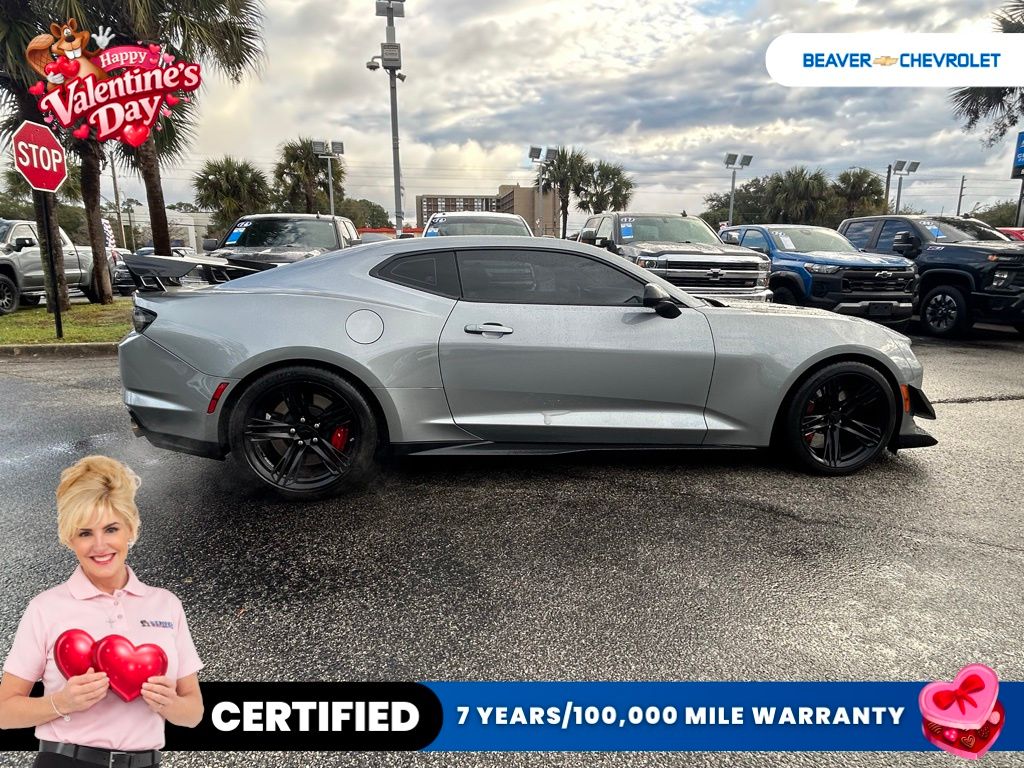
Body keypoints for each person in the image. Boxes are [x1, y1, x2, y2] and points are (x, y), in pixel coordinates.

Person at [0, 456, 203, 767]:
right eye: (85, 533)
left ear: (130, 529)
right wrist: (61, 702)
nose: (100, 545)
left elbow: (194, 713)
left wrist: (170, 703)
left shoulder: (166, 604)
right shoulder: (46, 608)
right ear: (70, 538)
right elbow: (4, 712)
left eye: (111, 529)